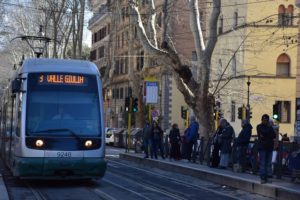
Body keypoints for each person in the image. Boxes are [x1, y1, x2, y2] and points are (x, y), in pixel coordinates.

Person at [257, 114, 276, 184]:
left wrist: (266, 134)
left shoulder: (270, 127)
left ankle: (268, 176)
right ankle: (263, 177)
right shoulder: (259, 126)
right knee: (263, 163)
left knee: (268, 163)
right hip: (262, 147)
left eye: (266, 120)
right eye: (264, 120)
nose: (265, 121)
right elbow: (261, 134)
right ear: (262, 120)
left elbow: (274, 135)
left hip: (269, 147)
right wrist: (267, 134)